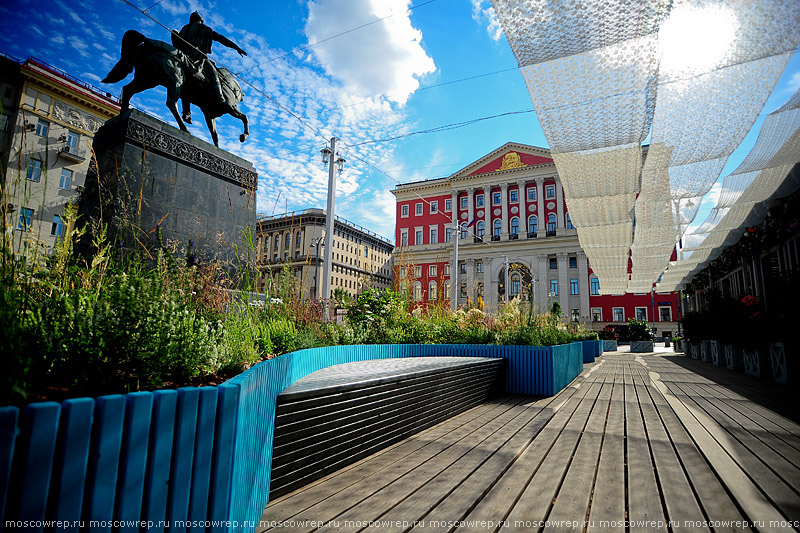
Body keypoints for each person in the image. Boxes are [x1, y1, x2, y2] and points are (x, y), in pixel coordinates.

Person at [171, 11, 247, 123]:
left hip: (183, 57)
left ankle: (186, 112)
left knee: (185, 81)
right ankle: (221, 98)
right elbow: (221, 39)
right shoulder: (205, 29)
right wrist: (236, 47)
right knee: (214, 74)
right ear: (200, 20)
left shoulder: (185, 28)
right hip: (198, 58)